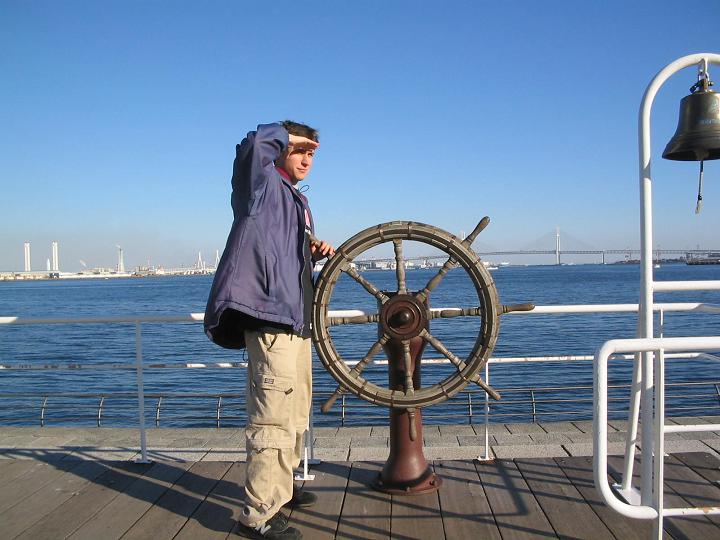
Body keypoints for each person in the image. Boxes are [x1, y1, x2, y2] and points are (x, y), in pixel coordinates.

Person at [204, 121, 334, 539]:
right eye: (300, 150)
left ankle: (282, 489)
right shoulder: (258, 186)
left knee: (294, 415)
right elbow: (253, 145)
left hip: (296, 323)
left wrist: (310, 252)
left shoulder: (295, 200)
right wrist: (285, 136)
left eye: (312, 153)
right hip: (270, 321)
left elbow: (277, 257)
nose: (307, 159)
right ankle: (259, 515)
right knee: (271, 421)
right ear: (281, 148)